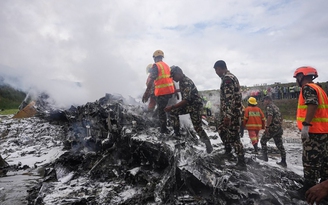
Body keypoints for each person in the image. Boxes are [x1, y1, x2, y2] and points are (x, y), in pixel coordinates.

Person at [291, 66, 328, 198]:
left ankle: (308, 191)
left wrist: (306, 125)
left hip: (314, 132)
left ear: (302, 76)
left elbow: (312, 104)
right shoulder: (319, 89)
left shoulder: (307, 88)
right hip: (324, 132)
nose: (296, 81)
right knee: (324, 162)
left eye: (297, 78)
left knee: (310, 162)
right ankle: (324, 190)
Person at [164, 66, 213, 153]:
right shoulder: (182, 81)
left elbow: (186, 100)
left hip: (195, 107)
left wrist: (172, 106)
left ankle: (208, 146)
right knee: (173, 113)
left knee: (197, 127)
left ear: (178, 74)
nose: (173, 79)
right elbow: (185, 91)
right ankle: (177, 134)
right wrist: (177, 90)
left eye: (173, 76)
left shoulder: (186, 82)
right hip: (190, 105)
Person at [213, 60, 246, 168]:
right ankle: (228, 151)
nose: (216, 73)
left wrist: (228, 115)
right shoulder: (229, 77)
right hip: (231, 112)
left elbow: (229, 99)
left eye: (216, 70)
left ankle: (241, 162)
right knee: (221, 130)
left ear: (219, 68)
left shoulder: (227, 79)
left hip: (232, 114)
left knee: (235, 137)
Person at [142, 50, 175, 134]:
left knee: (161, 111)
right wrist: (175, 91)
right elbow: (171, 79)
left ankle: (163, 130)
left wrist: (146, 93)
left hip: (162, 92)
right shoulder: (167, 66)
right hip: (169, 92)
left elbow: (151, 80)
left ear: (154, 58)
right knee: (162, 109)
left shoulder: (156, 66)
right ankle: (164, 125)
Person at [258, 95, 287, 167]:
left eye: (264, 101)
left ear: (267, 100)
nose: (264, 102)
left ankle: (265, 157)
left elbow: (270, 116)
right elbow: (281, 117)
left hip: (272, 128)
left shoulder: (269, 107)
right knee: (279, 144)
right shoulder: (276, 107)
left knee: (263, 141)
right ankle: (283, 161)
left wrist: (267, 126)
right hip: (278, 128)